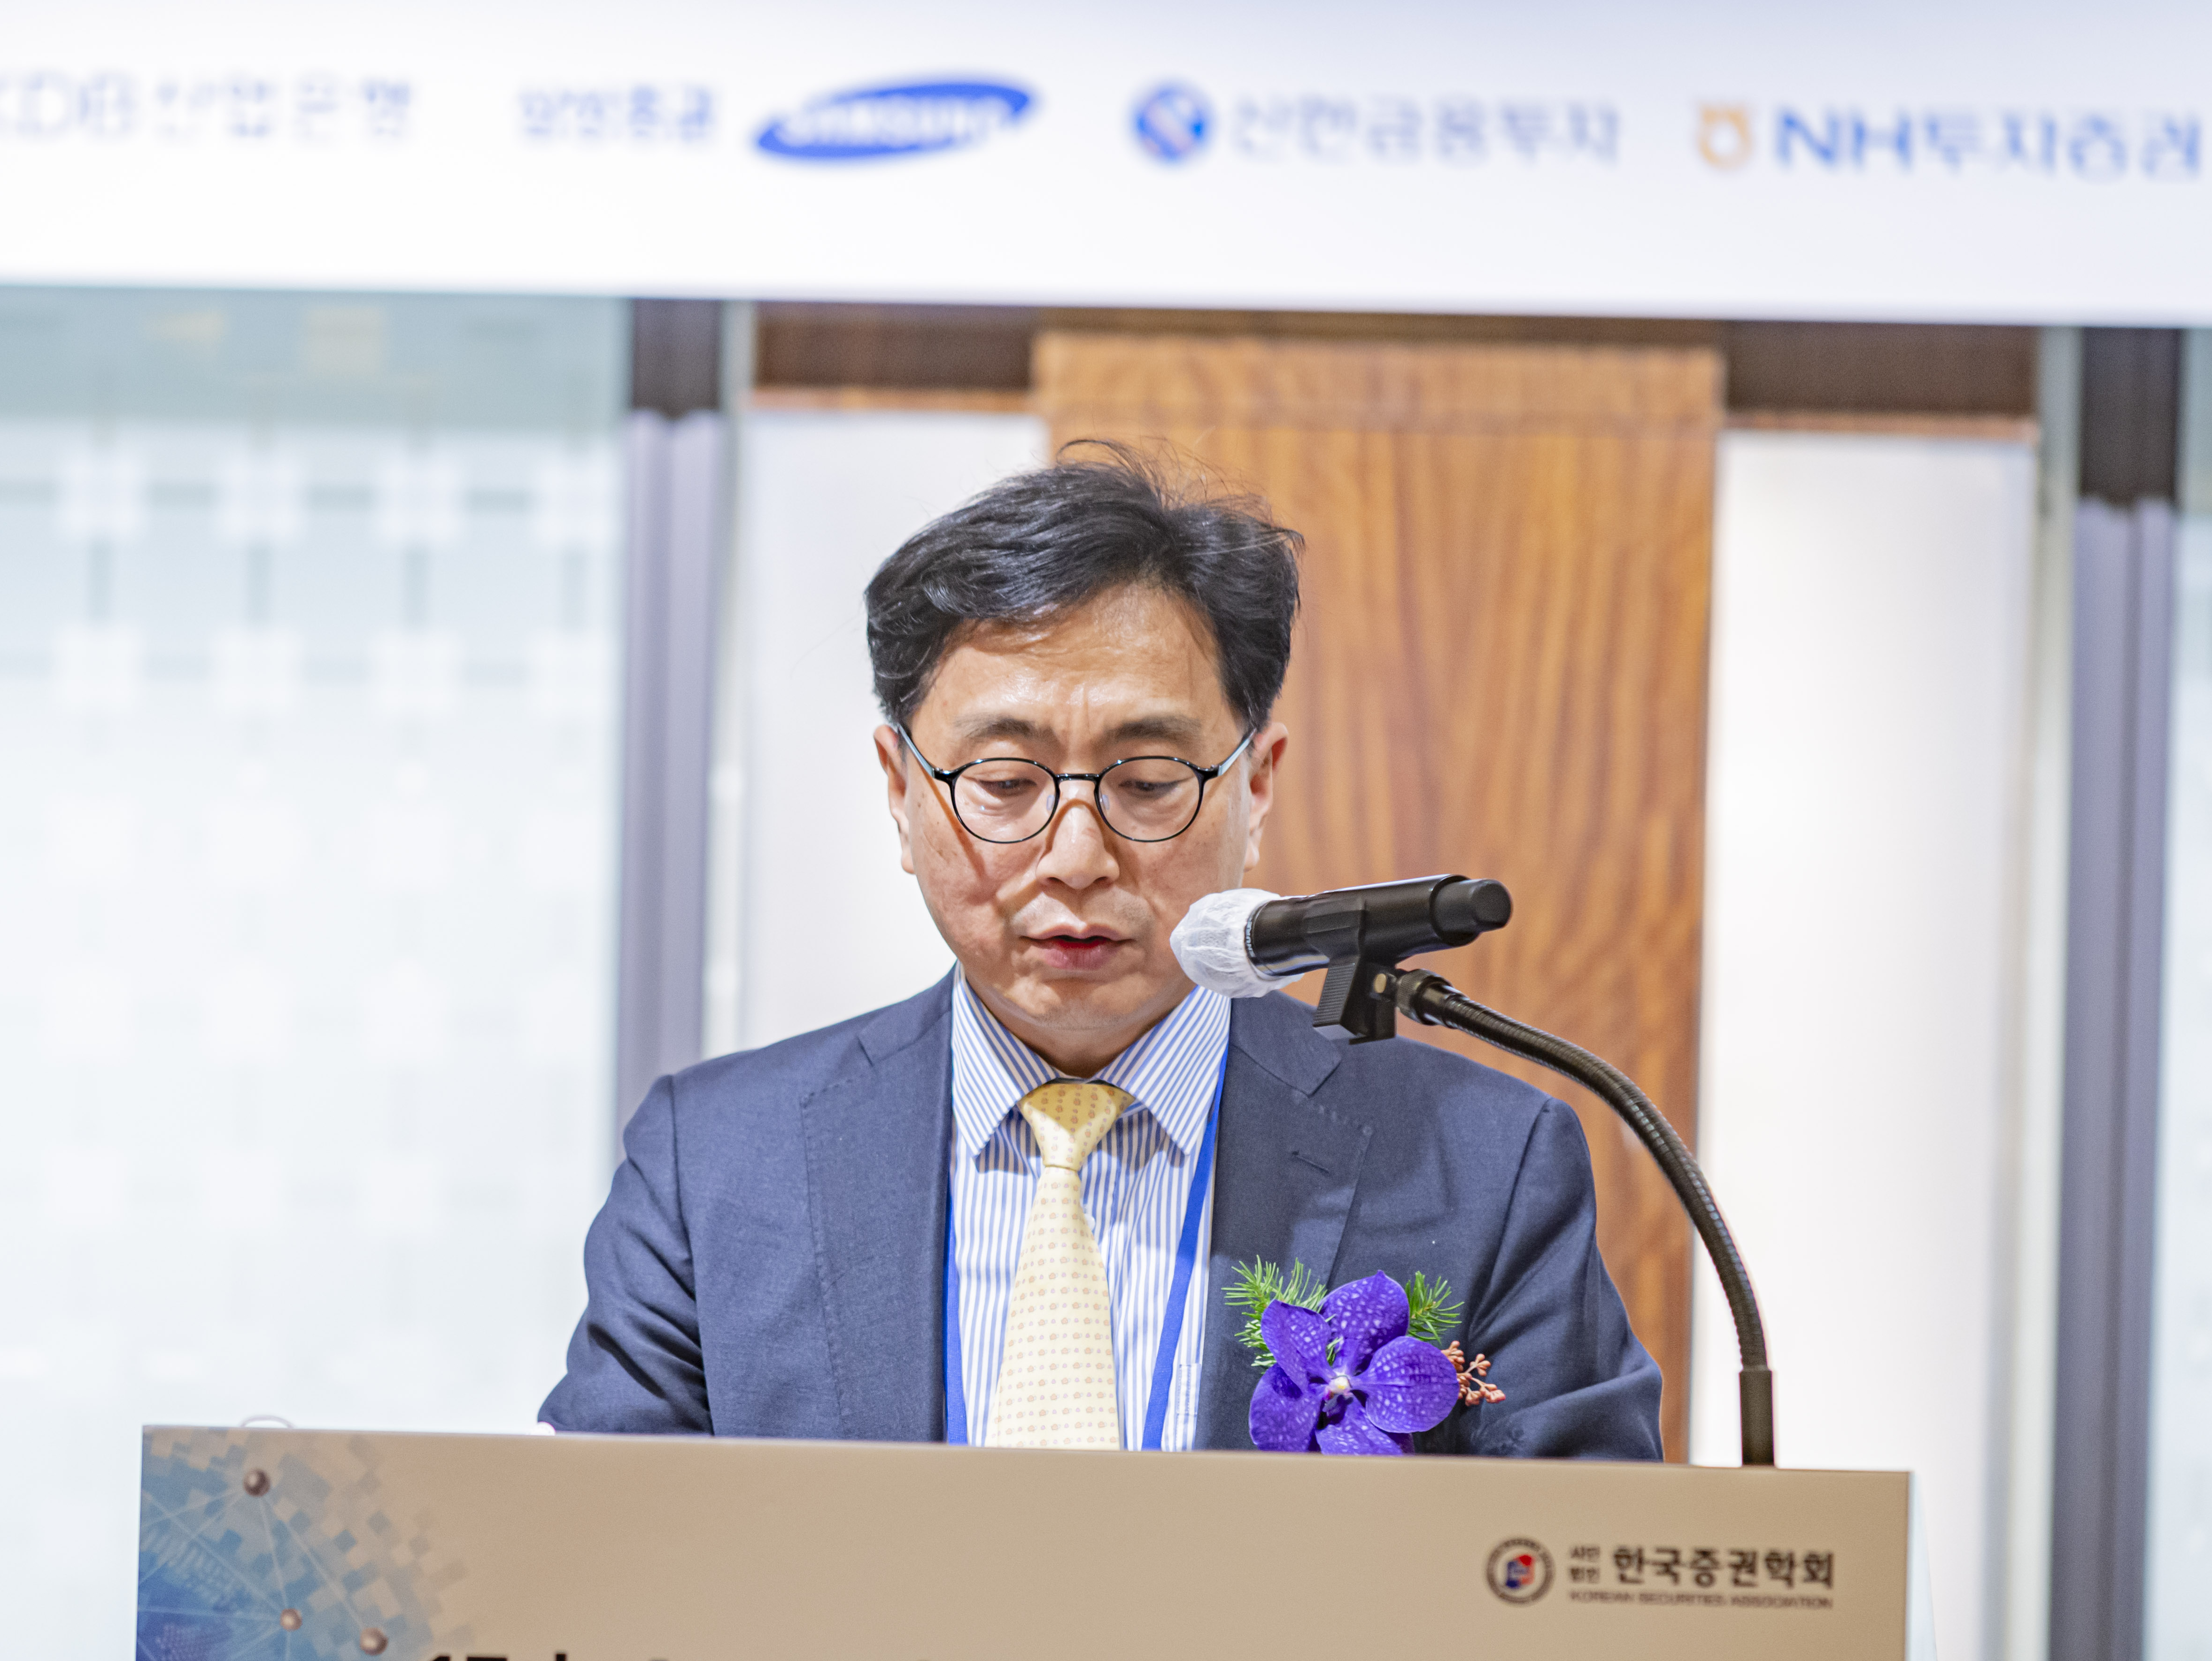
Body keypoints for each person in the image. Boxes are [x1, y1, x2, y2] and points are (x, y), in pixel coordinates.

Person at [542, 448, 1661, 1457]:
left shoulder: (1480, 1165)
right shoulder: (714, 1167)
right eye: (1003, 782)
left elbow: (1568, 1576)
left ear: (1256, 783)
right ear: (899, 791)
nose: (1076, 855)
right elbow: (598, 1566)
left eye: (1147, 782)